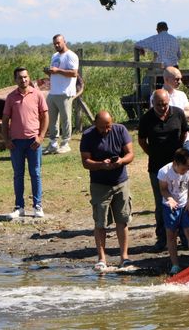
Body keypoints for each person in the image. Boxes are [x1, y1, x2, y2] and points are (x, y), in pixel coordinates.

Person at [80, 111, 135, 270]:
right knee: (100, 223)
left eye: (108, 126)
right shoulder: (88, 135)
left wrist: (121, 161)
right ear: (95, 124)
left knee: (122, 220)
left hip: (120, 182)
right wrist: (101, 165)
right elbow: (85, 162)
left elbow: (130, 153)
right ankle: (101, 258)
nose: (106, 130)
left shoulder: (120, 130)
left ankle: (124, 257)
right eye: (103, 127)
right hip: (99, 185)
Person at [138, 89, 188, 251]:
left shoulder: (178, 114)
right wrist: (153, 153)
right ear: (153, 103)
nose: (162, 107)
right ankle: (162, 238)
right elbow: (142, 140)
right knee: (162, 203)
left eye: (165, 104)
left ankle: (184, 236)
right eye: (159, 105)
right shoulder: (146, 118)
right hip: (157, 168)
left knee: (181, 200)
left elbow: (184, 134)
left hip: (177, 167)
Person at [2, 67, 49, 218]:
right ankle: (19, 207)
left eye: (25, 77)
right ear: (15, 80)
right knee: (18, 175)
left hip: (33, 142)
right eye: (20, 78)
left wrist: (41, 137)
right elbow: (4, 120)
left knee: (35, 173)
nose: (23, 80)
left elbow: (45, 117)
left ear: (29, 78)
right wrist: (7, 139)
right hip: (16, 143)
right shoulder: (11, 97)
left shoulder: (37, 94)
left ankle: (37, 206)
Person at [157, 148, 189, 275]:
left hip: (186, 203)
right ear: (175, 163)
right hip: (170, 206)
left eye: (188, 168)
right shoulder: (164, 172)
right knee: (171, 234)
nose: (186, 170)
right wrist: (170, 199)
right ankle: (175, 265)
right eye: (184, 168)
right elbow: (163, 189)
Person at [43, 34, 79, 154]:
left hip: (65, 92)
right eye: (55, 44)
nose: (56, 45)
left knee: (66, 119)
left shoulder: (71, 56)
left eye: (58, 43)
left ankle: (65, 143)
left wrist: (57, 71)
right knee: (52, 119)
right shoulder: (54, 56)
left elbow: (74, 73)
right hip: (53, 92)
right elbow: (55, 72)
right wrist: (49, 72)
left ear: (64, 41)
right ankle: (53, 143)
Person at [150, 66, 189, 151]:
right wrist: (180, 115)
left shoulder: (182, 95)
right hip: (165, 141)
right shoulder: (156, 96)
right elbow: (157, 116)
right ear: (166, 79)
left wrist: (172, 115)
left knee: (188, 164)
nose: (180, 82)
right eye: (177, 79)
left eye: (180, 79)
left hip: (184, 140)